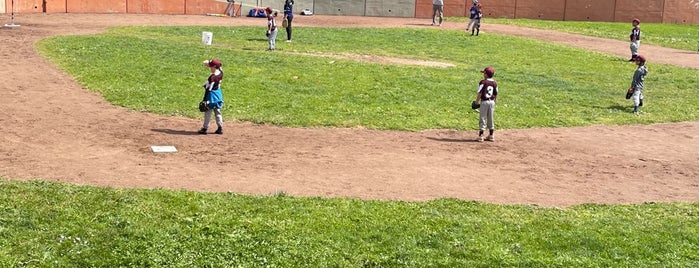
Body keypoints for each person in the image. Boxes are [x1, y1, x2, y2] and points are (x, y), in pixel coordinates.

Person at [199, 59, 224, 135]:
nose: (210, 68)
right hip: (218, 94)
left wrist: (205, 99)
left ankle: (205, 128)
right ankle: (220, 128)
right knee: (217, 111)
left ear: (214, 67)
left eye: (211, 67)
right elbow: (219, 67)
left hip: (211, 95)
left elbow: (208, 89)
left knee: (208, 112)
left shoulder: (212, 77)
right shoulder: (221, 73)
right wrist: (208, 63)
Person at [475, 67, 498, 142]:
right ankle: (491, 135)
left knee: (483, 117)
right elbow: (496, 93)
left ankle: (481, 135)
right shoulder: (495, 83)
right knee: (490, 117)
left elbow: (480, 93)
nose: (483, 74)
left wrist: (476, 102)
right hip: (492, 102)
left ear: (486, 74)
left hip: (484, 102)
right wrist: (495, 102)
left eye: (484, 73)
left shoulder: (483, 82)